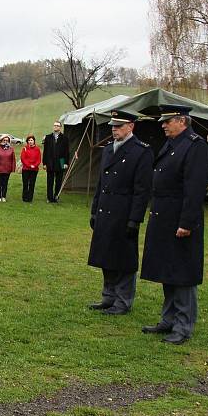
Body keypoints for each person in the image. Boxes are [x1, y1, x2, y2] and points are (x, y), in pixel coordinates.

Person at [141, 104, 208, 345]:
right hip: (164, 217)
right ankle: (168, 319)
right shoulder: (172, 144)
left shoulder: (195, 146)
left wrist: (187, 222)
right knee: (167, 271)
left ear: (182, 121)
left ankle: (183, 325)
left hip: (180, 219)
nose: (163, 125)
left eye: (167, 121)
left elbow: (195, 188)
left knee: (183, 273)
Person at [87, 110, 153, 315]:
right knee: (106, 255)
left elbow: (142, 190)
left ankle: (123, 300)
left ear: (131, 126)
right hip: (106, 210)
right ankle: (109, 296)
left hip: (124, 213)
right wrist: (94, 210)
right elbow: (101, 183)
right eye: (113, 127)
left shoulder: (141, 151)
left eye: (119, 126)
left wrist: (135, 219)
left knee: (124, 258)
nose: (114, 130)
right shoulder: (108, 150)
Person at [42, 121, 70, 203]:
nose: (56, 127)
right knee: (49, 181)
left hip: (61, 161)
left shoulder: (65, 138)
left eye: (57, 125)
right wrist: (44, 163)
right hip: (50, 161)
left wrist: (65, 163)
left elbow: (66, 152)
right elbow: (45, 151)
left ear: (60, 127)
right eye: (54, 125)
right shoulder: (48, 137)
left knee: (58, 181)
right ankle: (49, 198)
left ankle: (56, 196)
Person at [0, 134, 16, 202]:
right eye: (4, 140)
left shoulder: (11, 149)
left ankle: (4, 196)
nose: (5, 141)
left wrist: (13, 169)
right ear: (1, 140)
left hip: (7, 169)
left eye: (7, 140)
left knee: (5, 184)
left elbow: (13, 159)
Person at [20, 134, 41, 202]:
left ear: (34, 141)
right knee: (25, 183)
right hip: (26, 169)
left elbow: (39, 159)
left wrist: (34, 165)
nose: (30, 141)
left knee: (32, 184)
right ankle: (25, 197)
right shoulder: (25, 148)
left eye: (31, 140)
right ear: (27, 141)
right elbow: (23, 158)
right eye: (29, 140)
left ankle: (30, 198)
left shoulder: (37, 149)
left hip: (34, 169)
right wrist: (29, 165)